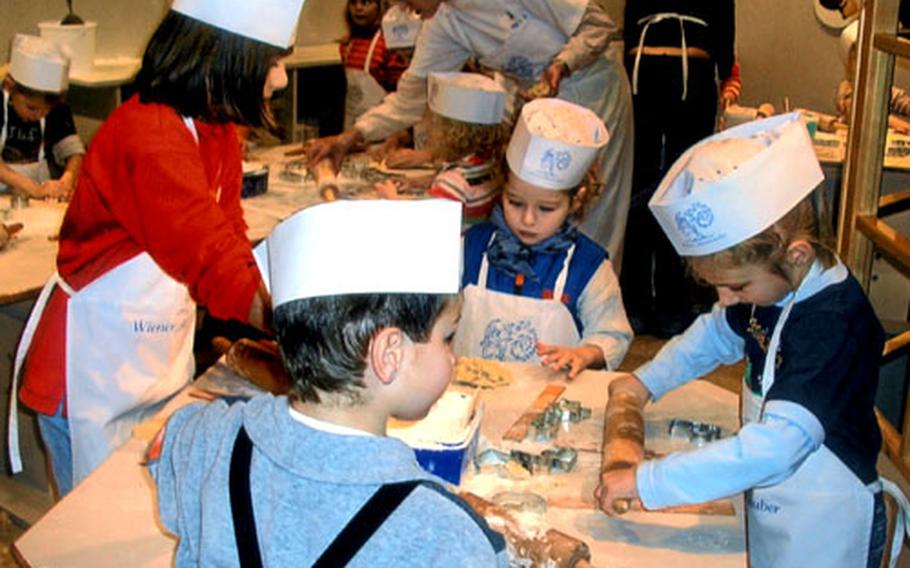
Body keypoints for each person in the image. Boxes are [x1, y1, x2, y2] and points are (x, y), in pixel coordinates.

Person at [9, 0, 301, 497]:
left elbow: (229, 235)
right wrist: (304, 330)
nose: (281, 81)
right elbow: (210, 259)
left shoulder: (218, 130)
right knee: (94, 541)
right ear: (224, 54)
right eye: (273, 61)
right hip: (89, 369)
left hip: (153, 360)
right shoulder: (147, 135)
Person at [595, 113, 893, 566]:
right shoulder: (772, 285)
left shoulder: (833, 326)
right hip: (778, 501)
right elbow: (715, 335)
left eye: (736, 287)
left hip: (827, 517)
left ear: (796, 254)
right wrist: (644, 383)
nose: (726, 300)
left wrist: (648, 481)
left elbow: (776, 448)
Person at [147, 199, 508, 566]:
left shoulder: (206, 438)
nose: (453, 357)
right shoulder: (448, 537)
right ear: (390, 354)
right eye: (448, 337)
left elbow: (164, 450)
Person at [305, 0, 634, 268]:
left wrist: (563, 64)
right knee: (532, 219)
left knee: (585, 212)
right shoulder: (444, 23)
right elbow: (412, 96)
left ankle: (588, 318)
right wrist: (351, 136)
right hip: (533, 105)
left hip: (592, 95)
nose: (404, 8)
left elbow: (599, 25)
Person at [454, 98, 632, 379]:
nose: (527, 220)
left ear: (577, 200)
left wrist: (585, 354)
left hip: (551, 400)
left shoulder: (589, 267)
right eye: (515, 202)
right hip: (468, 398)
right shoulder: (472, 248)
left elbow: (613, 333)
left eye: (546, 208)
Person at [620, 1, 737, 338]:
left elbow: (630, 26)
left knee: (652, 187)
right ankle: (663, 304)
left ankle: (642, 303)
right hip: (683, 72)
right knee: (675, 188)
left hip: (652, 69)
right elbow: (724, 42)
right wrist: (723, 67)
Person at [375, 71, 509, 227]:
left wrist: (392, 199)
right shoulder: (489, 164)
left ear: (448, 134)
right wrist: (420, 182)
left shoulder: (451, 182)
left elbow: (427, 225)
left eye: (434, 125)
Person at [0, 34, 84, 200]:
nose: (39, 115)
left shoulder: (56, 108)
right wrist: (32, 188)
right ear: (10, 87)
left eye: (46, 110)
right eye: (32, 108)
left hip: (40, 194)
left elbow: (75, 154)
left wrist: (67, 180)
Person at [340, 0, 410, 130]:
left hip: (384, 127)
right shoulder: (347, 45)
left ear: (380, 7)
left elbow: (401, 93)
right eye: (353, 3)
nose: (358, 8)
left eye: (366, 2)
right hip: (352, 123)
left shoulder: (387, 44)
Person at [836, 20, 910, 134]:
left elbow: (902, 101)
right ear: (849, 64)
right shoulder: (847, 90)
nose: (869, 61)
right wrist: (897, 124)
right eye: (858, 56)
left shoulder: (882, 87)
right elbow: (862, 114)